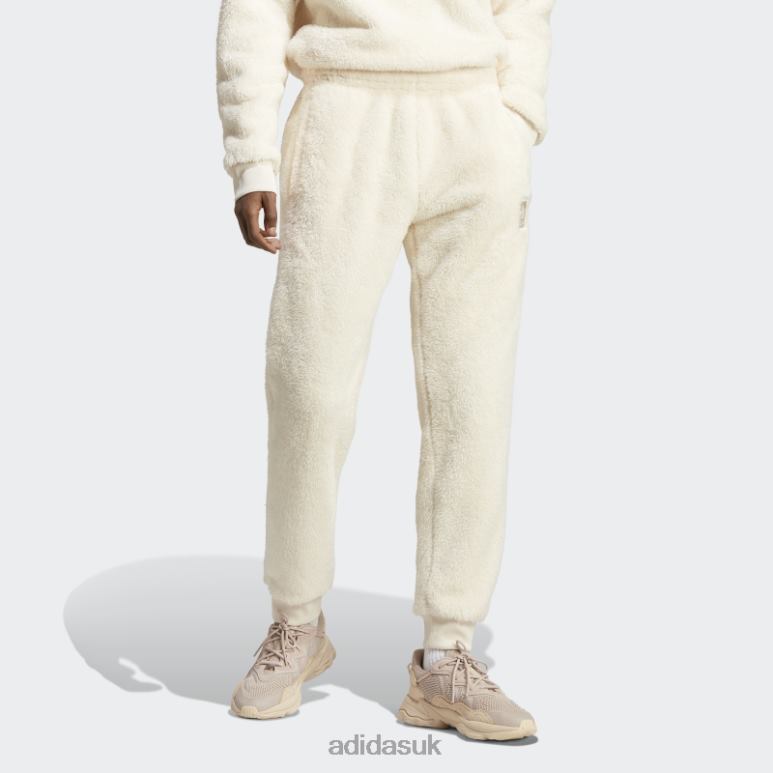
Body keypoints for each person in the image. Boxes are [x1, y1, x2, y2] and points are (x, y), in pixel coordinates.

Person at [216, 0, 554, 741]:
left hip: (475, 120)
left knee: (472, 396)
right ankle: (296, 623)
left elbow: (524, 8)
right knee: (308, 387)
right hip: (343, 117)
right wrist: (251, 157)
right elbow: (256, 11)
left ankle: (448, 652)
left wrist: (518, 112)